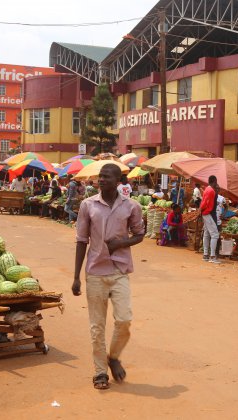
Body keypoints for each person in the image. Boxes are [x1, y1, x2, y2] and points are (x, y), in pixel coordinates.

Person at [72, 163, 145, 390]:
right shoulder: (88, 205)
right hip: (95, 271)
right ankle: (100, 372)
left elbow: (140, 234)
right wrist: (76, 277)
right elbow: (81, 240)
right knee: (97, 327)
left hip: (120, 270)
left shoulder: (131, 206)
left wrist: (121, 243)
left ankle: (113, 357)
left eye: (106, 177)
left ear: (117, 181)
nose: (101, 180)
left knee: (124, 320)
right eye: (99, 177)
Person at [200, 175, 220, 264]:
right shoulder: (211, 190)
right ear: (215, 181)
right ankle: (212, 256)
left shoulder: (207, 189)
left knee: (207, 234)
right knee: (215, 234)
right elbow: (205, 202)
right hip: (208, 213)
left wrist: (200, 210)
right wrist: (200, 209)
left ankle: (205, 255)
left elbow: (204, 201)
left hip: (206, 213)